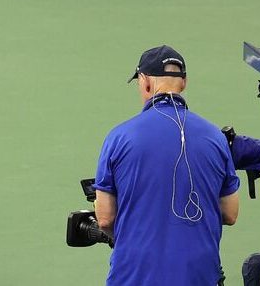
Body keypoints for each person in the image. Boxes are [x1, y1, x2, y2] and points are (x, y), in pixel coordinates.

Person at [93, 45, 240, 286]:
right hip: (198, 275)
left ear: (145, 82)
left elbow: (106, 219)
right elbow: (230, 213)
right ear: (184, 83)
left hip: (134, 275)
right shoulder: (216, 138)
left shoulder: (118, 137)